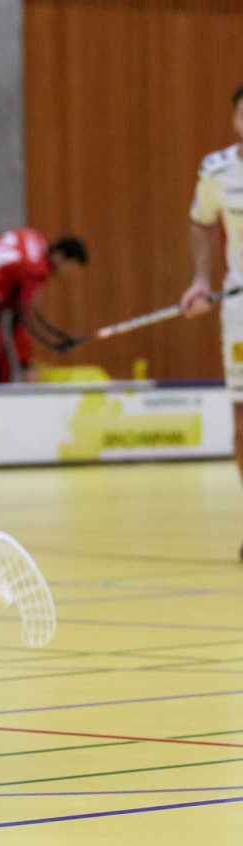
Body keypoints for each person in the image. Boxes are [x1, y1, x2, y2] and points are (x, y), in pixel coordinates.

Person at [179, 82, 243, 560]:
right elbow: (202, 222)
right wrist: (201, 280)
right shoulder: (217, 170)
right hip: (239, 306)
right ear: (236, 120)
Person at [0, 229, 88, 384]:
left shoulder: (33, 236)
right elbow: (23, 318)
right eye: (70, 267)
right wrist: (26, 365)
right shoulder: (36, 271)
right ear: (60, 256)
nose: (67, 274)